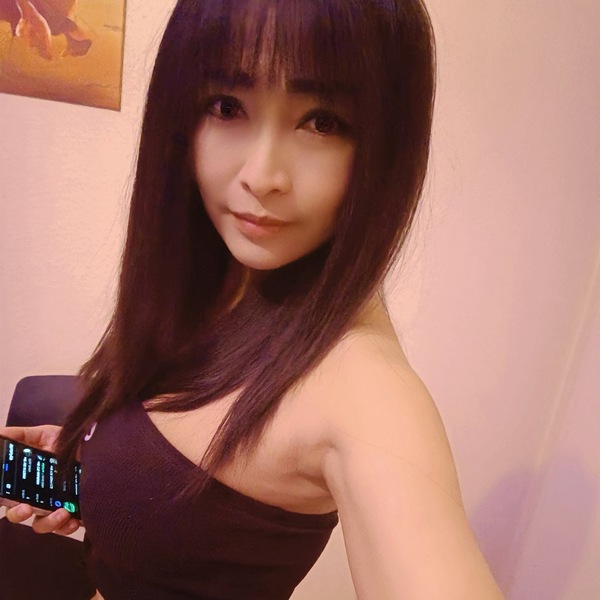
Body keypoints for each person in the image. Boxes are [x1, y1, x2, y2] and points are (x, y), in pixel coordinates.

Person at [2, 0, 505, 598]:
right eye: (227, 107)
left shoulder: (366, 390)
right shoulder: (225, 275)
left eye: (323, 121)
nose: (262, 175)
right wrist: (104, 463)